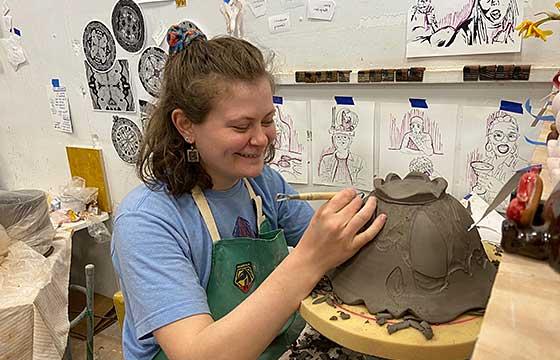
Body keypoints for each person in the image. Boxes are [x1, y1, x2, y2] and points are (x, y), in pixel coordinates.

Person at [111, 21, 387, 360]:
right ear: (186, 126)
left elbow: (339, 253)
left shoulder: (263, 185)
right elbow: (197, 353)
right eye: (242, 126)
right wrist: (309, 259)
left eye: (268, 120)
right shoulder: (146, 222)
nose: (261, 139)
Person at [318, 108, 366, 186]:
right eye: (338, 137)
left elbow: (362, 183)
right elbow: (323, 181)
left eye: (345, 137)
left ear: (350, 141)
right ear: (334, 140)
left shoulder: (359, 162)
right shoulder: (326, 160)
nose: (341, 141)